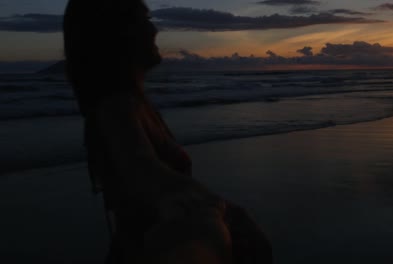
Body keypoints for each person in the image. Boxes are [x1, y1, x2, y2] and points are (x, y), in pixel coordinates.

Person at [63, 0, 272, 263]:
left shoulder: (133, 104)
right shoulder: (117, 108)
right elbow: (143, 168)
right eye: (145, 20)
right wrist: (211, 208)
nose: (155, 30)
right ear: (119, 35)